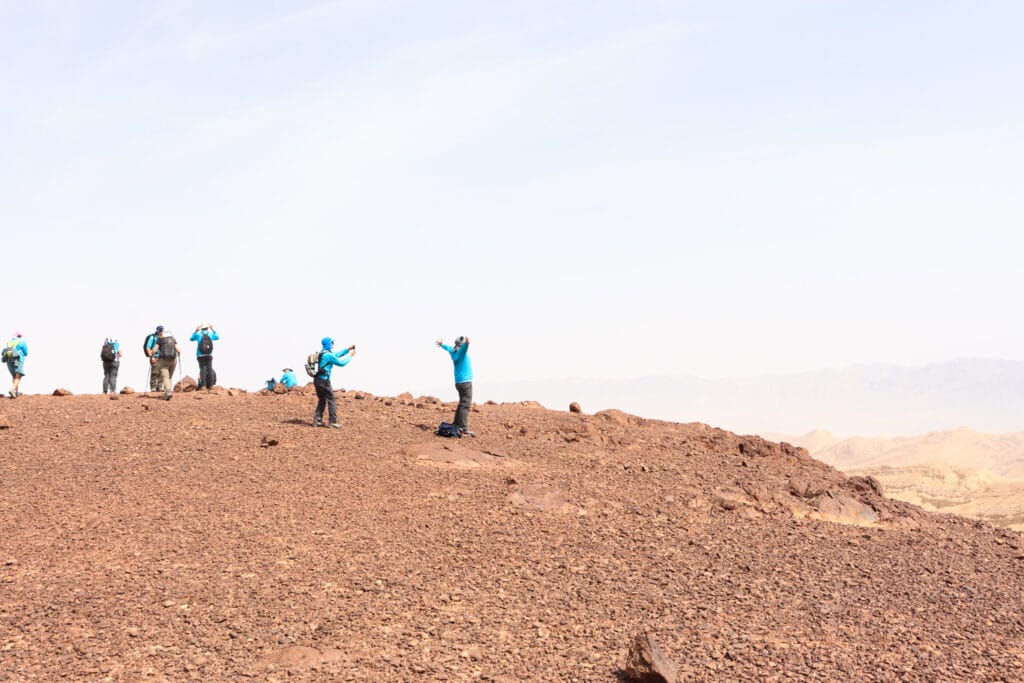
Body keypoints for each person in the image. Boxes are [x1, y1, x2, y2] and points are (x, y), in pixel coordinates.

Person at [313, 337, 355, 428]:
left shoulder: (323, 353)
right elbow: (341, 363)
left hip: (318, 380)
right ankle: (332, 422)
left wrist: (347, 349)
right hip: (324, 381)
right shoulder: (328, 355)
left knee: (322, 399)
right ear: (328, 343)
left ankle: (317, 420)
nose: (333, 344)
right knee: (331, 399)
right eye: (332, 342)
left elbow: (336, 354)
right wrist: (350, 356)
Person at [435, 335, 473, 435]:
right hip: (465, 382)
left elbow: (448, 347)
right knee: (465, 406)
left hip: (459, 382)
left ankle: (456, 424)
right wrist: (467, 343)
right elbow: (465, 347)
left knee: (461, 404)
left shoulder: (453, 351)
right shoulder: (461, 352)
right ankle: (463, 429)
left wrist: (442, 344)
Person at [153, 327, 181, 400]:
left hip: (164, 360)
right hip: (173, 360)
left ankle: (168, 392)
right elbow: (179, 350)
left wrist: (152, 354)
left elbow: (155, 349)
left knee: (165, 376)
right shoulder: (173, 339)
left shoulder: (160, 339)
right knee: (170, 376)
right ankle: (168, 391)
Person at [189, 323, 220, 391]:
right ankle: (211, 386)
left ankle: (203, 386)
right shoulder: (210, 334)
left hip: (200, 355)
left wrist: (196, 330)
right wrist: (213, 329)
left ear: (201, 329)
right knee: (210, 369)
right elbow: (217, 337)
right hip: (209, 354)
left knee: (203, 369)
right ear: (207, 328)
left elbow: (191, 339)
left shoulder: (198, 334)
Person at [3, 332, 28, 399]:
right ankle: (13, 390)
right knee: (18, 375)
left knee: (14, 375)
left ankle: (15, 393)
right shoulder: (22, 342)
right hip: (17, 359)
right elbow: (26, 353)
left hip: (8, 360)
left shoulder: (9, 342)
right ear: (20, 336)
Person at [144, 327, 162, 392]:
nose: (161, 332)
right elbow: (148, 347)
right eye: (160, 331)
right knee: (155, 372)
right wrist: (151, 357)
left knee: (162, 372)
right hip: (154, 356)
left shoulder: (162, 338)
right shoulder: (153, 337)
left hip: (162, 357)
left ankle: (160, 387)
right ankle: (153, 387)